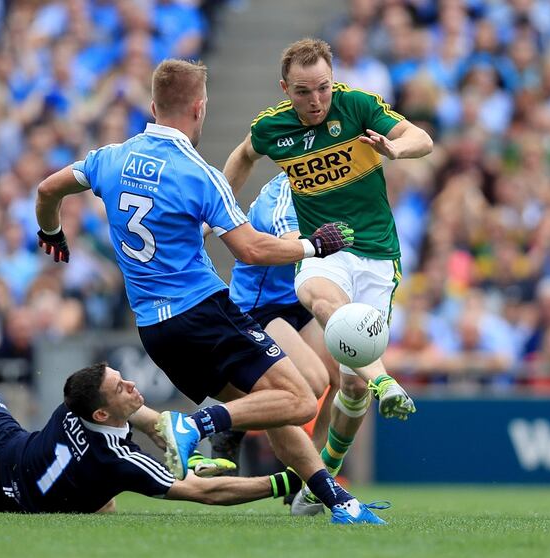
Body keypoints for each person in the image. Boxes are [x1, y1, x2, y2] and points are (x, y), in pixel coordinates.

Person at [34, 59, 387, 524]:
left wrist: (52, 233)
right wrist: (312, 245)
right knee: (301, 399)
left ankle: (338, 502)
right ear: (200, 108)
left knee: (273, 405)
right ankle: (193, 425)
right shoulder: (198, 174)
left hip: (154, 331)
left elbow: (47, 189)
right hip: (201, 310)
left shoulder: (108, 158)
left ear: (154, 106)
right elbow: (252, 250)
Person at [0, 307, 302, 513]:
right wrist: (283, 480)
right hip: (7, 497)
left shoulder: (77, 407)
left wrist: (175, 434)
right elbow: (204, 493)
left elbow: (140, 419)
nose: (132, 385)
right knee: (102, 494)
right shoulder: (118, 459)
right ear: (104, 415)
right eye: (121, 387)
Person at [222, 39, 433, 514]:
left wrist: (394, 150)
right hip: (326, 248)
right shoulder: (273, 127)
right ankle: (384, 382)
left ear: (332, 81)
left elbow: (423, 138)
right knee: (316, 294)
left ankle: (328, 470)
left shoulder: (357, 107)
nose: (315, 101)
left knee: (349, 386)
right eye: (303, 92)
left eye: (322, 88)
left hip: (378, 254)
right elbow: (241, 156)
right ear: (285, 89)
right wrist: (221, 209)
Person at [213, 173, 339, 467]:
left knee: (346, 376)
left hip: (299, 298)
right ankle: (233, 423)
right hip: (260, 306)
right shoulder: (284, 194)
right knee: (314, 384)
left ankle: (306, 475)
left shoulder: (338, 185)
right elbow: (293, 241)